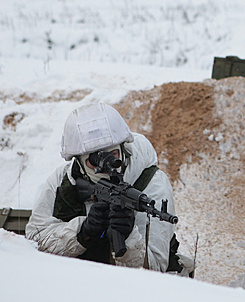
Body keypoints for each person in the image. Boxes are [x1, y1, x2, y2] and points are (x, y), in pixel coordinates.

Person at [26, 102, 193, 276]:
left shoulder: (151, 183)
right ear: (79, 161)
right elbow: (33, 242)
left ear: (123, 149)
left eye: (113, 155)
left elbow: (155, 268)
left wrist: (128, 238)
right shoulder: (63, 180)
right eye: (94, 160)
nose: (105, 167)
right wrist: (82, 232)